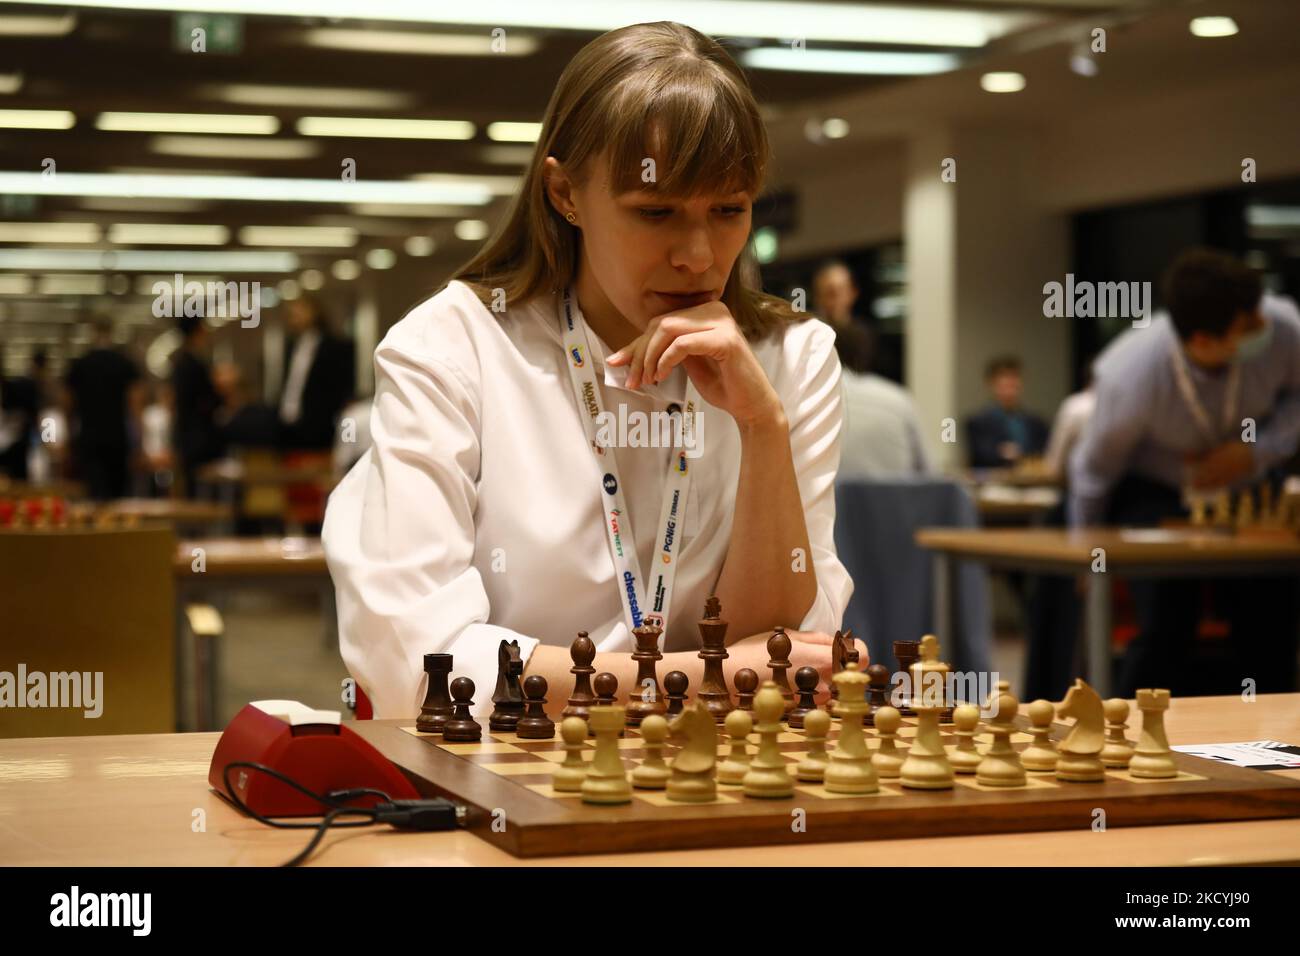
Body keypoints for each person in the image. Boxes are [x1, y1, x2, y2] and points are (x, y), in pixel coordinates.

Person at [323, 21, 857, 720]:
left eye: (729, 210)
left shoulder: (792, 355)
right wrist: (697, 680)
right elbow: (416, 663)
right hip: (506, 769)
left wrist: (761, 426)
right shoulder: (453, 345)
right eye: (656, 212)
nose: (698, 255)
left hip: (716, 775)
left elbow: (783, 650)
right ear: (565, 193)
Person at [1070, 248, 1300, 694]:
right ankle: (1135, 735)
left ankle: (1274, 741)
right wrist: (1085, 551)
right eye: (1247, 327)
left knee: (1269, 621)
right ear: (1203, 341)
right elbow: (1093, 471)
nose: (1262, 329)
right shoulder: (1131, 374)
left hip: (1248, 490)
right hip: (1156, 492)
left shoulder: (1281, 325)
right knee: (1166, 623)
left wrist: (1258, 450)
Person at [825, 304, 931, 480]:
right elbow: (930, 476)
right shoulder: (900, 399)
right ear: (868, 352)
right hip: (897, 506)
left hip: (833, 507)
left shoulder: (809, 401)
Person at [64, 318, 143, 500]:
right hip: (117, 438)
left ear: (92, 331)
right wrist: (139, 442)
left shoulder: (80, 364)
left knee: (92, 494)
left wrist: (69, 440)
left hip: (89, 438)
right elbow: (135, 405)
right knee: (118, 496)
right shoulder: (125, 364)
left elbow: (67, 406)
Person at [278, 296, 355, 452]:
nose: (295, 317)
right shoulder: (291, 346)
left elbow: (340, 386)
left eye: (299, 311)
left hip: (320, 423)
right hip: (289, 422)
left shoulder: (335, 346)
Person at [965, 356, 1049, 469]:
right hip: (995, 480)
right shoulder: (977, 421)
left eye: (1014, 379)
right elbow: (980, 455)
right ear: (991, 384)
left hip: (1031, 478)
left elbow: (1044, 451)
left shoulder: (1036, 422)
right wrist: (1002, 454)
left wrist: (1019, 452)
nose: (1010, 385)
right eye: (1004, 380)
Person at [171, 317, 223, 497]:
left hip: (187, 435)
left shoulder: (180, 362)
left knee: (191, 488)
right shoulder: (193, 364)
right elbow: (207, 402)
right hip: (198, 439)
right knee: (200, 490)